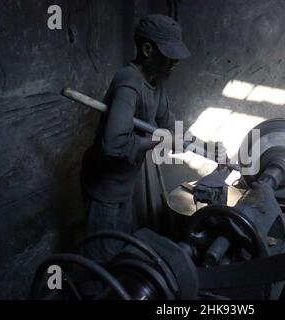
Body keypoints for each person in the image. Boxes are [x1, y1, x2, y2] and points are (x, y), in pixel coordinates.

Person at [80, 14, 225, 264]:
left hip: (125, 182)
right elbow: (112, 144)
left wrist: (206, 146)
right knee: (101, 255)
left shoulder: (155, 84)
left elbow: (171, 128)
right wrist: (159, 141)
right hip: (105, 185)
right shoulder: (129, 84)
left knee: (120, 246)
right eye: (170, 55)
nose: (175, 62)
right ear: (147, 49)